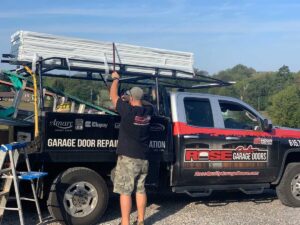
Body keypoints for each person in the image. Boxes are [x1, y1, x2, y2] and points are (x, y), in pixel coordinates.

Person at [110, 71, 153, 225]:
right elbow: (145, 103)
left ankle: (125, 222)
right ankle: (140, 221)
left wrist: (115, 79)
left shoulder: (128, 112)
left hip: (128, 158)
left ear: (131, 98)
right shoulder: (148, 112)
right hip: (143, 158)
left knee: (125, 192)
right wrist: (130, 98)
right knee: (140, 190)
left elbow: (113, 97)